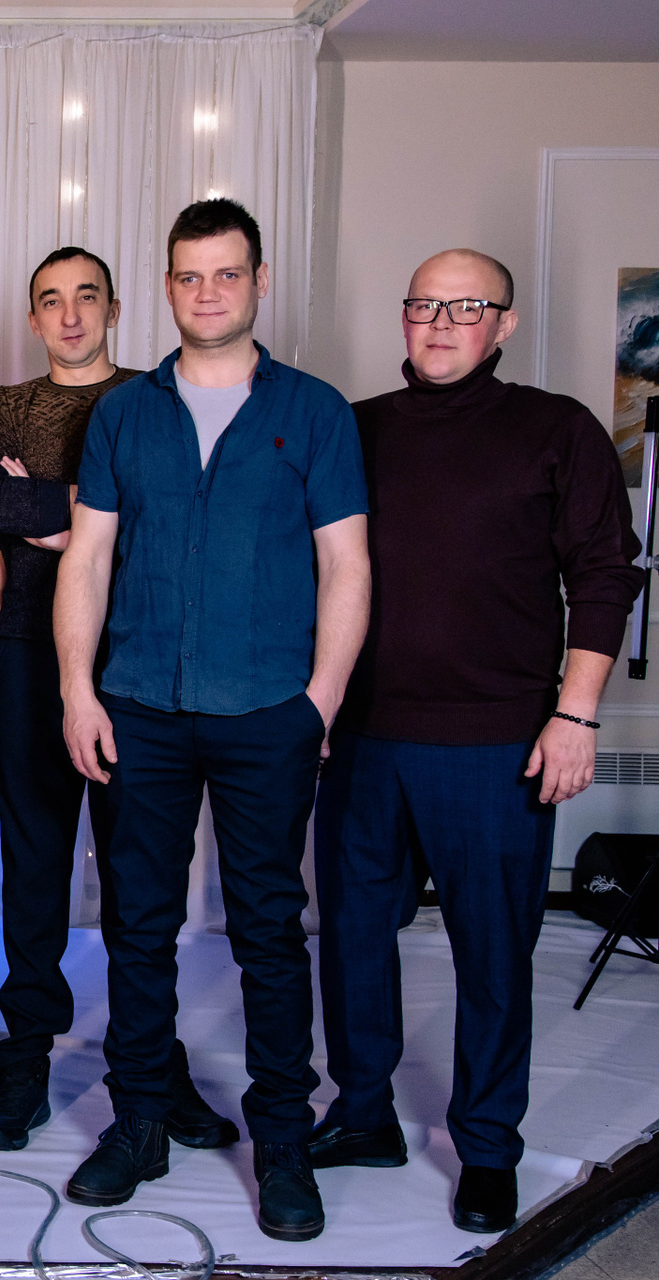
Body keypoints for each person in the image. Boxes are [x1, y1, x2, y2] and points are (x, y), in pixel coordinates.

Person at [55, 199, 371, 1242]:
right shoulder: (123, 414)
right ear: (167, 287)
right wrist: (78, 688)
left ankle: (283, 1138)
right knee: (138, 927)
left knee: (270, 931)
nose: (207, 293)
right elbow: (88, 556)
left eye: (226, 274)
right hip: (140, 705)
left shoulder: (315, 411)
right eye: (189, 276)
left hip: (267, 709)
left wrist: (320, 700)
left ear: (259, 281)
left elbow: (346, 563)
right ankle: (140, 1121)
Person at [310, 250, 641, 1234]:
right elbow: (301, 564)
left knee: (493, 955)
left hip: (497, 745)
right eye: (425, 304)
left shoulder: (557, 429)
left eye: (466, 306)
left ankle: (489, 1146)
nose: (442, 322)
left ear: (503, 323)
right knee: (352, 941)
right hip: (362, 740)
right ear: (404, 317)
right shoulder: (355, 428)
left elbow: (606, 574)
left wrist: (575, 715)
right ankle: (363, 1112)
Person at [0, 247, 236, 1155]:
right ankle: (25, 1062)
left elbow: (170, 518)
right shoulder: (2, 407)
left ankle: (151, 1065)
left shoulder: (156, 399)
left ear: (116, 309)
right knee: (35, 867)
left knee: (139, 881)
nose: (71, 314)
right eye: (52, 300)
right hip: (26, 658)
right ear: (33, 317)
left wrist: (50, 508)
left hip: (136, 665)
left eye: (87, 297)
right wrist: (87, 509)